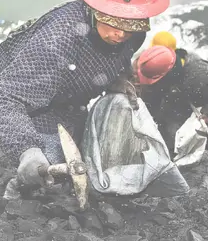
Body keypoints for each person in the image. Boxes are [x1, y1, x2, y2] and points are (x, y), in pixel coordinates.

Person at [0, 0, 171, 192]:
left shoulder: (133, 35)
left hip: (69, 96)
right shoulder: (58, 41)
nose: (121, 33)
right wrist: (27, 149)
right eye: (112, 19)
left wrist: (115, 79)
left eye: (132, 22)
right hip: (28, 99)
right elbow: (1, 100)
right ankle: (11, 190)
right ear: (93, 7)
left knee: (80, 151)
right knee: (45, 169)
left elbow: (116, 57)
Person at [79, 45, 189, 197]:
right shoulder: (123, 100)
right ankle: (114, 169)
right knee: (116, 145)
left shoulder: (122, 65)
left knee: (114, 146)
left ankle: (112, 166)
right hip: (118, 109)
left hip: (112, 108)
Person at [142, 36, 208, 156]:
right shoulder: (157, 61)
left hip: (194, 107)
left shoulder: (201, 75)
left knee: (177, 141)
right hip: (176, 98)